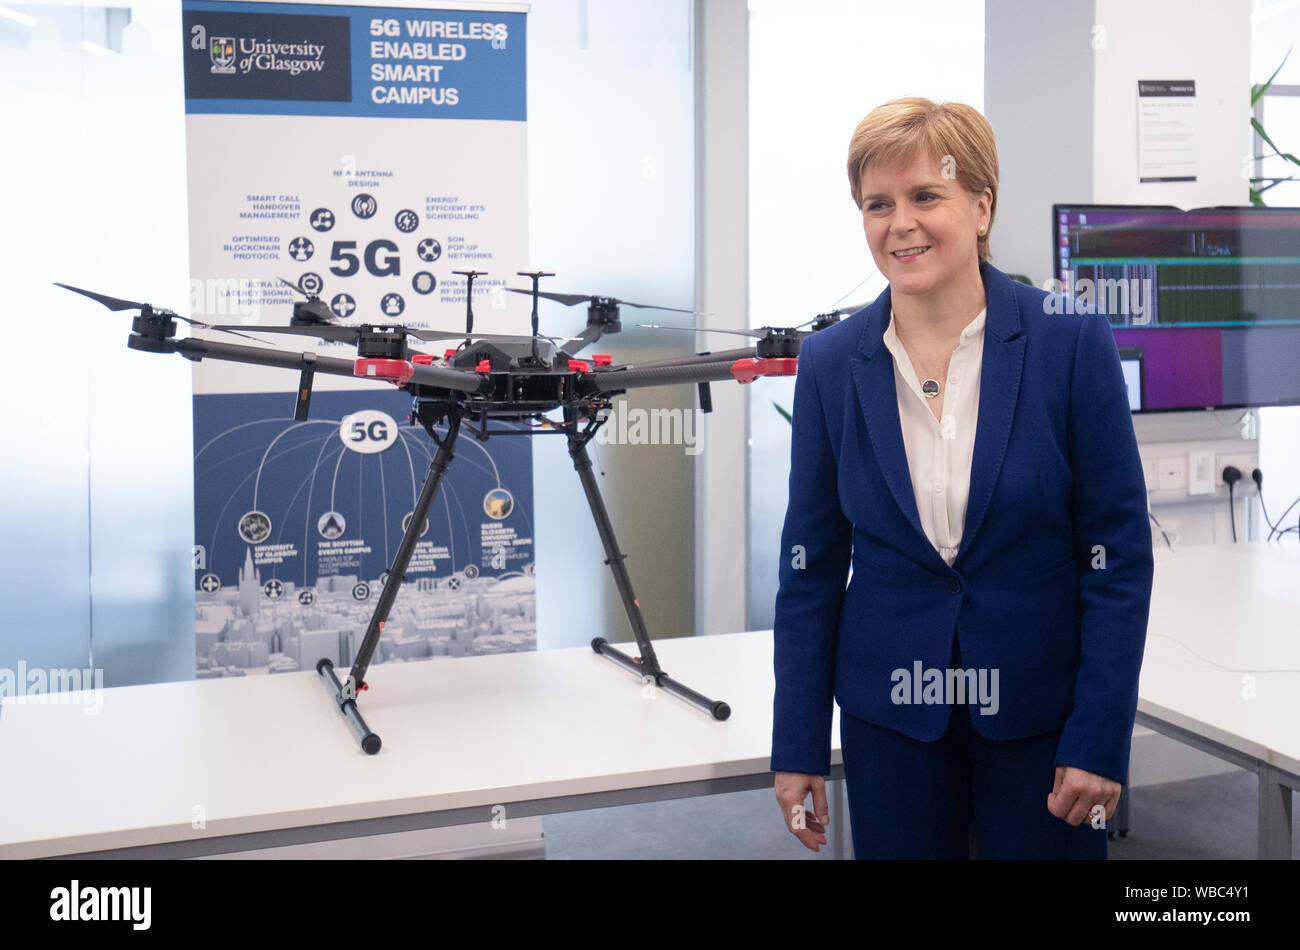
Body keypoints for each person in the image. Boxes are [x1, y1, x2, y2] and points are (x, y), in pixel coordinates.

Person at [770, 98, 1153, 859]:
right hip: (892, 718)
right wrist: (799, 742)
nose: (898, 224)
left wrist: (1100, 735)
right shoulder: (830, 364)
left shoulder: (1070, 342)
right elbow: (809, 568)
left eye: (925, 196)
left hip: (1041, 714)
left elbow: (1117, 558)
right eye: (877, 204)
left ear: (981, 205)